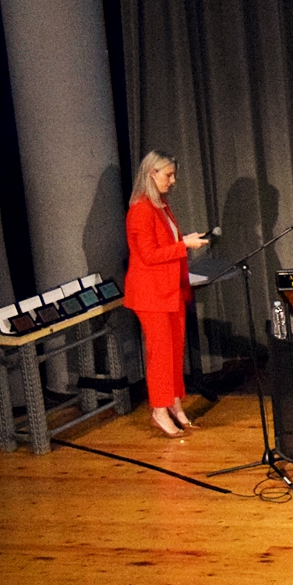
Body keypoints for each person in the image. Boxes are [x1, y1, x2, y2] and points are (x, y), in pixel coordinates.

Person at [123, 151, 210, 438]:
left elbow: (166, 245)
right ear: (152, 173)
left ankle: (174, 403)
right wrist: (184, 245)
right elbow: (149, 255)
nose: (173, 181)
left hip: (170, 290)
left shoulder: (161, 205)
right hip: (151, 294)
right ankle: (159, 410)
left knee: (174, 351)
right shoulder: (141, 209)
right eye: (168, 175)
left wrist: (184, 242)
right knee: (160, 354)